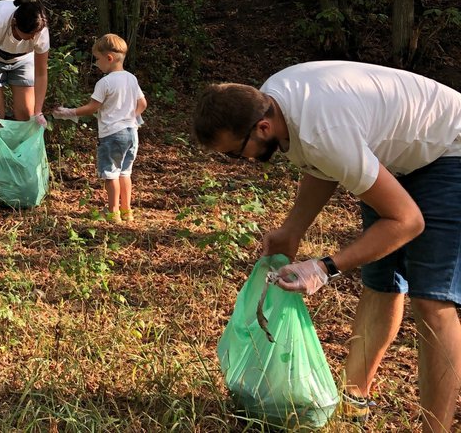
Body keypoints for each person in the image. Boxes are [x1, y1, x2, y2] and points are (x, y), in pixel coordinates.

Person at [193, 61, 461, 432]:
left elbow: (407, 221)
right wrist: (292, 230)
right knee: (381, 283)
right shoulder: (273, 101)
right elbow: (320, 164)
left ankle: (438, 429)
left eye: (236, 153)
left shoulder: (324, 130)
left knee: (432, 301)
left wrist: (324, 268)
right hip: (388, 153)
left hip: (448, 148)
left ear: (263, 127)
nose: (241, 162)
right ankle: (354, 401)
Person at [53, 33, 147, 223]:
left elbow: (92, 107)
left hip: (113, 135)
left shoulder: (104, 82)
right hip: (131, 133)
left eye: (97, 59)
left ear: (109, 58)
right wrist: (130, 116)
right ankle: (126, 211)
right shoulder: (131, 79)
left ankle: (113, 213)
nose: (96, 64)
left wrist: (67, 112)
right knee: (125, 172)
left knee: (111, 174)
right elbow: (143, 104)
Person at [0, 0, 50, 129]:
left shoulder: (40, 31)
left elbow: (41, 74)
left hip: (23, 60)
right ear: (14, 23)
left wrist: (38, 111)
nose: (33, 38)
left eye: (36, 34)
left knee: (27, 116)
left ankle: (23, 149)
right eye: (29, 34)